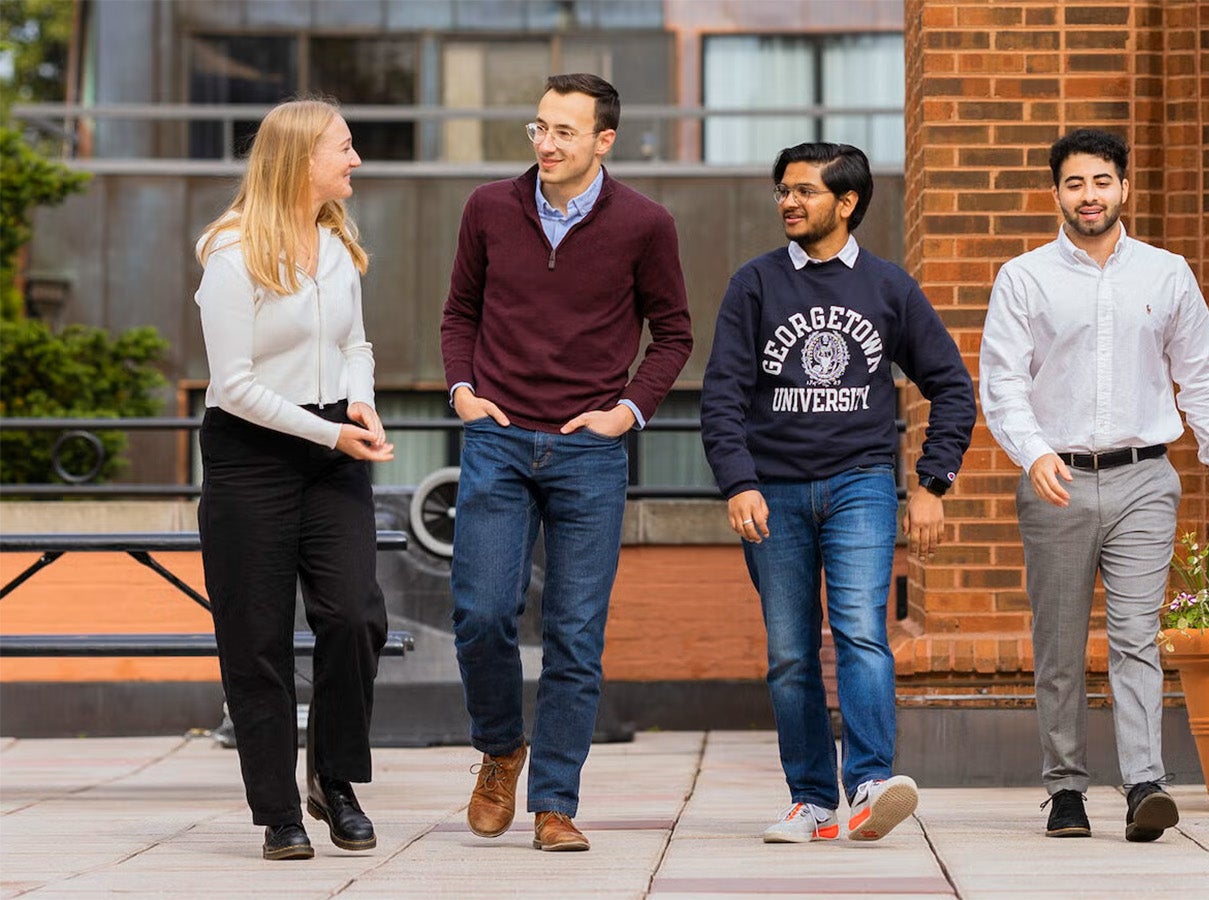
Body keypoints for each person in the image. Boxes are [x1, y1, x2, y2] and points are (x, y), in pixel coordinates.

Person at [440, 73, 692, 853]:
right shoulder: (488, 208)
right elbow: (460, 313)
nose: (546, 145)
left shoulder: (646, 224)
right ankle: (499, 748)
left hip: (590, 450)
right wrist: (461, 392)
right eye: (538, 128)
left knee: (576, 632)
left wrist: (626, 412)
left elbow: (674, 334)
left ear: (603, 141)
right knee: (482, 613)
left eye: (565, 133)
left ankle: (554, 800)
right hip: (498, 436)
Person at [700, 142, 976, 844]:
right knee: (791, 650)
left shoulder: (887, 287)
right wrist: (738, 481)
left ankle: (871, 785)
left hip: (861, 485)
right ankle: (812, 800)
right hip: (775, 494)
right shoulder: (754, 284)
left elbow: (950, 387)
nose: (788, 203)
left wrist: (932, 484)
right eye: (782, 191)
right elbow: (722, 396)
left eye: (804, 191)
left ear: (846, 202)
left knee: (860, 631)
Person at [979, 128, 1209, 843]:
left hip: (1144, 480)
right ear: (1055, 193)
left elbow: (1203, 379)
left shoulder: (1166, 273)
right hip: (1056, 480)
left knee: (1135, 638)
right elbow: (1001, 384)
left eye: (1101, 181)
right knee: (1060, 645)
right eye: (1074, 183)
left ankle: (1145, 785)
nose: (1089, 195)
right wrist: (1032, 453)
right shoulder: (1024, 278)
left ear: (1123, 187)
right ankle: (1065, 790)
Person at [194, 98, 394, 861]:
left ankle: (333, 779)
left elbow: (357, 344)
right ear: (300, 157)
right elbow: (235, 385)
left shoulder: (335, 243)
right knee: (258, 641)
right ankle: (279, 811)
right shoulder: (231, 252)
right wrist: (331, 430)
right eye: (345, 147)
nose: (356, 161)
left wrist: (363, 405)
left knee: (355, 616)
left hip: (332, 450)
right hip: (250, 458)